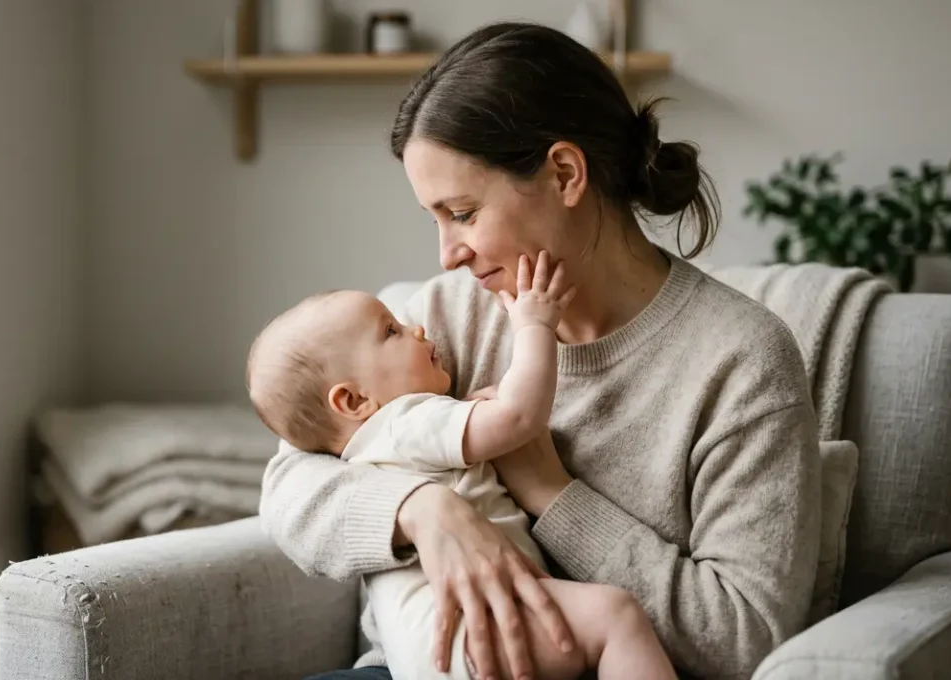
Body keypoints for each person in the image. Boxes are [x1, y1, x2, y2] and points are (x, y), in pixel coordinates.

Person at [259, 21, 822, 680]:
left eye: (463, 213)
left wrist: (551, 494)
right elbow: (289, 485)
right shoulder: (445, 315)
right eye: (434, 218)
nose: (447, 253)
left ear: (563, 173)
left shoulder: (741, 362)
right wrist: (423, 511)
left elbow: (743, 637)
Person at [247, 251, 677, 680]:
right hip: (470, 633)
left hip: (423, 653)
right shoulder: (405, 420)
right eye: (392, 331)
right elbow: (518, 417)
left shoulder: (370, 448)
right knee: (616, 617)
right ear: (354, 401)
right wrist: (534, 327)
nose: (417, 328)